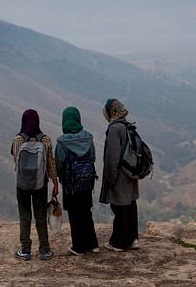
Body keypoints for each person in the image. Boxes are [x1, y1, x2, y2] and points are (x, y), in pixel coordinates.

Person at [11, 109, 58, 260]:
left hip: (22, 185)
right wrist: (55, 182)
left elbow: (16, 161)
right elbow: (50, 162)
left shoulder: (18, 140)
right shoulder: (45, 140)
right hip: (40, 184)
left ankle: (25, 251)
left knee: (25, 217)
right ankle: (44, 250)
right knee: (40, 216)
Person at [55, 107, 99, 256]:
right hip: (87, 182)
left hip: (70, 184)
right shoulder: (88, 138)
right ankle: (93, 244)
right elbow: (92, 158)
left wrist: (63, 178)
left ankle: (79, 246)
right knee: (86, 211)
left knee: (74, 214)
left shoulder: (62, 142)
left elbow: (59, 164)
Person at [99, 99, 139, 251]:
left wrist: (109, 178)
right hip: (131, 174)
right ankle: (133, 239)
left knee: (120, 208)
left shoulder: (115, 129)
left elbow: (112, 158)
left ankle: (119, 242)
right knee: (130, 206)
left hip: (120, 177)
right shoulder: (127, 125)